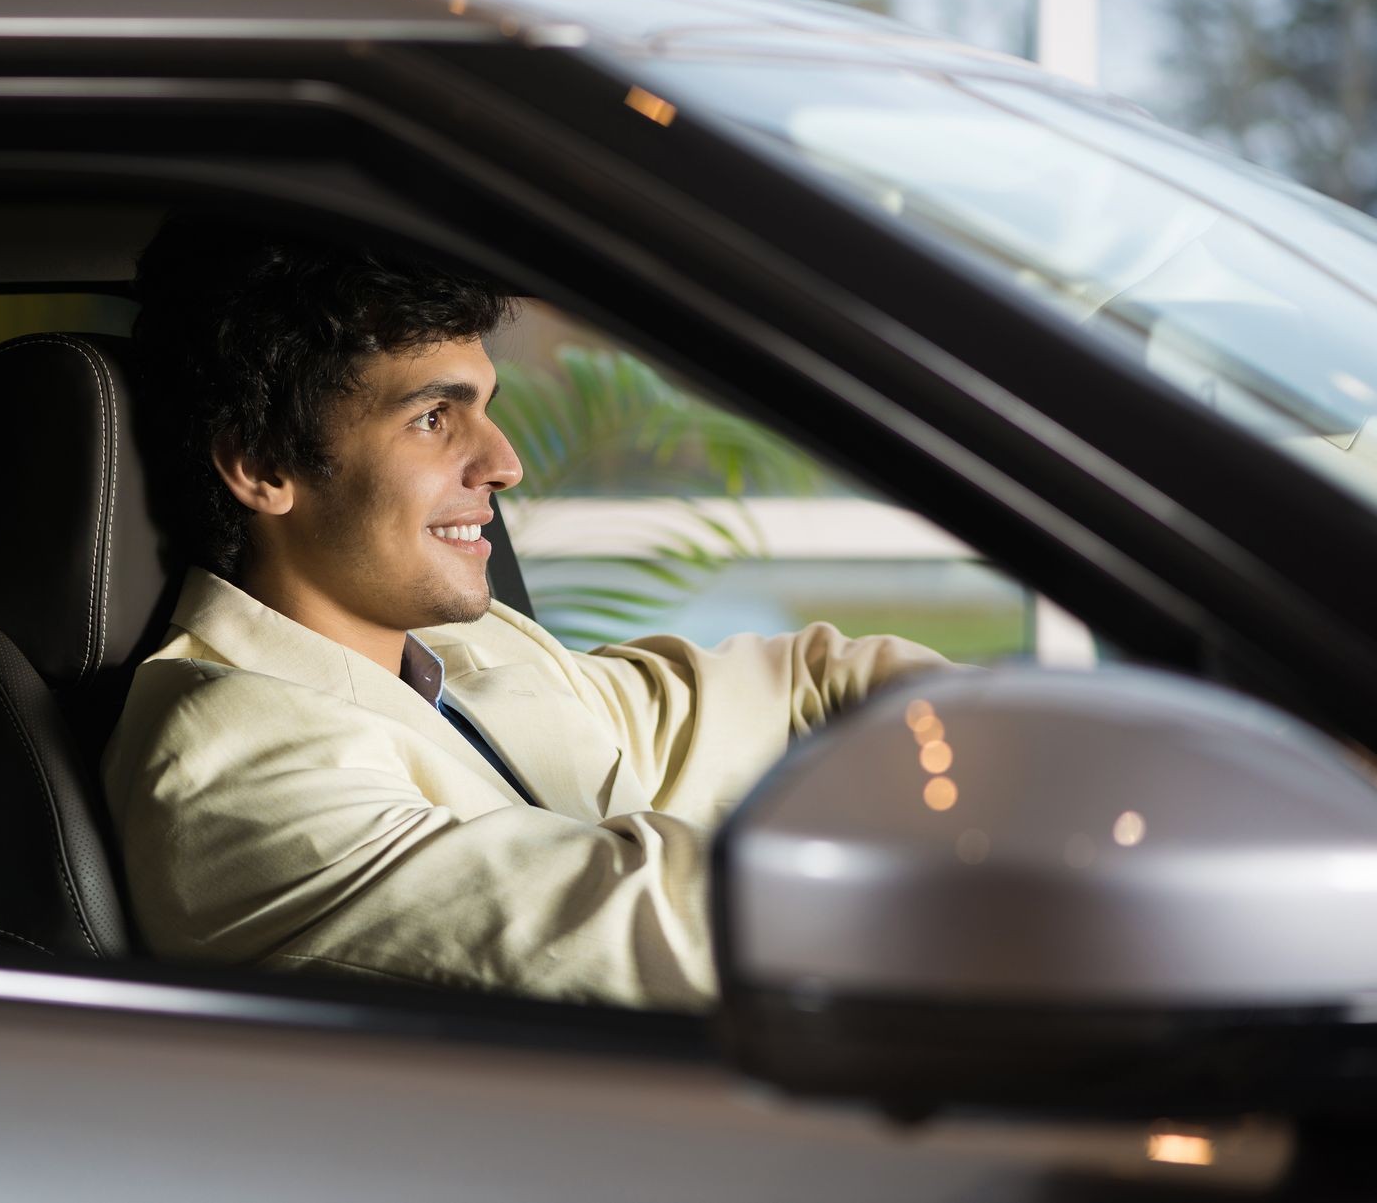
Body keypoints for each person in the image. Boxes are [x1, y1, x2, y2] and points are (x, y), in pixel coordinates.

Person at [103, 219, 953, 1011]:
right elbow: (683, 937)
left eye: (486, 405)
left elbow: (813, 683)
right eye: (433, 417)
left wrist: (1009, 750)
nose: (504, 463)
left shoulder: (462, 648)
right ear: (261, 465)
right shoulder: (236, 768)